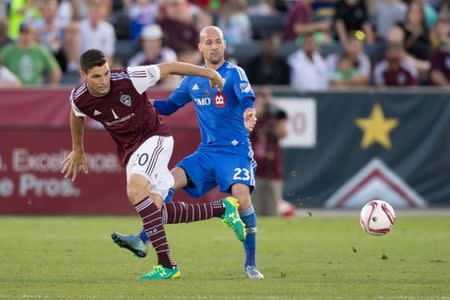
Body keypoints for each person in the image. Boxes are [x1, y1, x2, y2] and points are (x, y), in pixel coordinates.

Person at [61, 48, 247, 280]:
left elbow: (169, 67)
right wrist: (78, 149)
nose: (104, 80)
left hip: (155, 137)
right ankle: (222, 209)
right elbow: (76, 113)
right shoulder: (79, 96)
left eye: (106, 73)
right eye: (96, 76)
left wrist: (208, 73)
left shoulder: (129, 78)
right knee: (154, 209)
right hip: (130, 150)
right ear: (83, 75)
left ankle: (167, 265)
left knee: (135, 190)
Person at [111, 26, 264, 279]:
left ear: (224, 45)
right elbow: (169, 106)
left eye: (218, 42)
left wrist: (249, 112)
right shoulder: (192, 80)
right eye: (209, 42)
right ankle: (142, 239)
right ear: (200, 46)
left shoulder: (235, 73)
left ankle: (250, 264)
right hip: (206, 153)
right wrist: (142, 106)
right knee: (167, 182)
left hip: (235, 152)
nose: (214, 46)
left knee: (242, 198)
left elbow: (247, 99)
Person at [250, 87, 288, 217]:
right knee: (254, 210)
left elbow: (282, 134)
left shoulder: (273, 119)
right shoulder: (250, 118)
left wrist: (278, 116)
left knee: (272, 211)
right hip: (254, 172)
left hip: (273, 171)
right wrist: (255, 113)